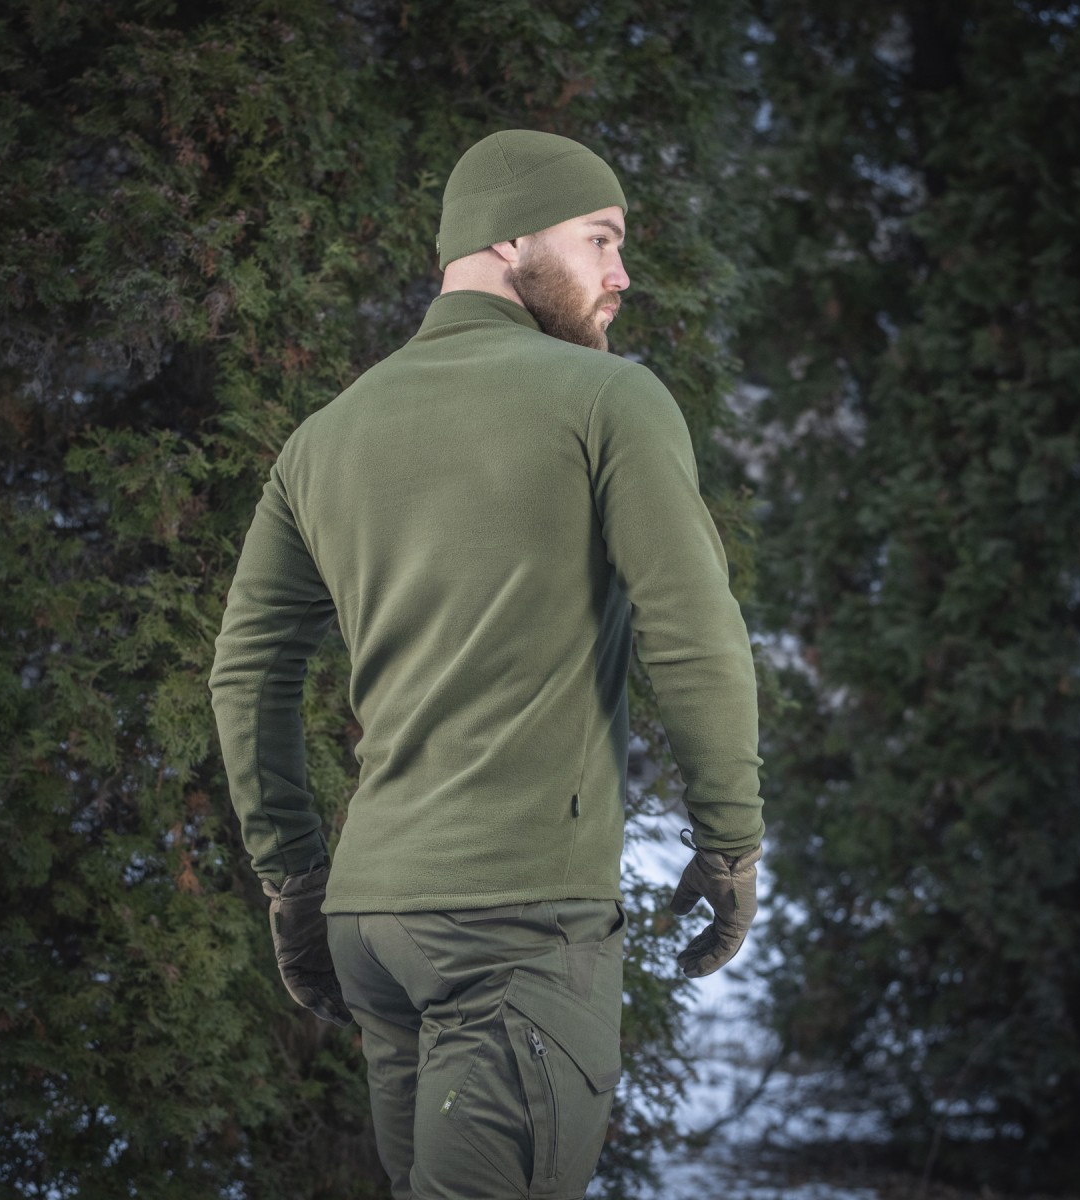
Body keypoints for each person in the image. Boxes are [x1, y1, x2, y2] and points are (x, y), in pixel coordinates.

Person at [209, 129, 765, 1200]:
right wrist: (730, 840)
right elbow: (694, 630)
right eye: (600, 239)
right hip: (515, 929)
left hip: (375, 926)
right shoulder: (609, 401)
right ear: (509, 240)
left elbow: (247, 673)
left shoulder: (322, 438)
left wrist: (295, 879)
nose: (622, 275)